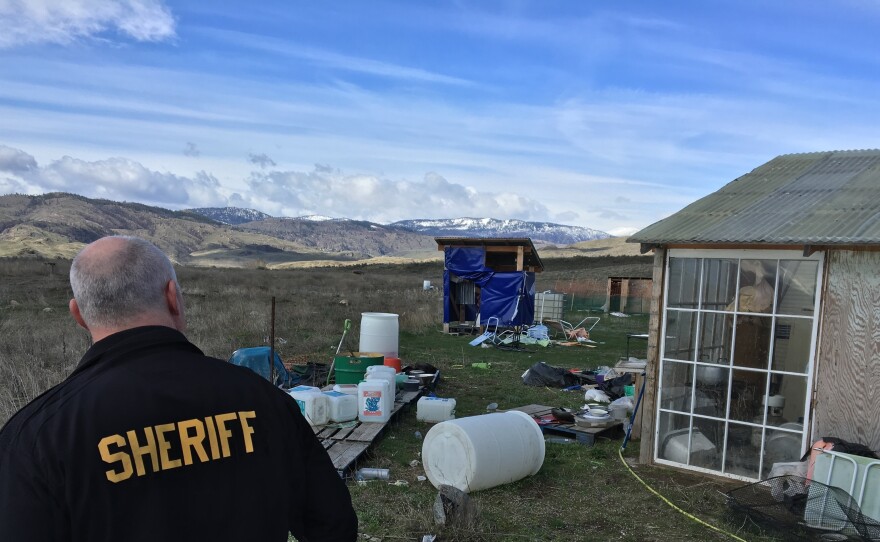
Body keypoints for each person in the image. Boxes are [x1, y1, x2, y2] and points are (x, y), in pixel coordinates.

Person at [0, 236, 358, 541]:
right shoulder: (265, 400)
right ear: (173, 297)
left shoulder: (36, 438)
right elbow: (333, 524)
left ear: (78, 315)